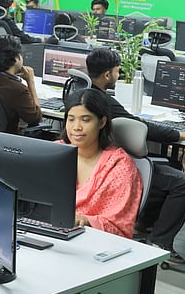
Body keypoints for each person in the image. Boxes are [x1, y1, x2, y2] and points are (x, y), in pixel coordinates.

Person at [85, 47, 185, 263]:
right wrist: (181, 134)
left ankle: (145, 223)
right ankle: (161, 242)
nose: (118, 75)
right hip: (112, 165)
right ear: (107, 75)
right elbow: (140, 126)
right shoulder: (102, 101)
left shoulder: (82, 90)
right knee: (184, 183)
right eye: (118, 71)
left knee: (173, 166)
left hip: (100, 159)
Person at [60, 88, 143, 238]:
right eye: (71, 119)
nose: (76, 127)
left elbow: (119, 223)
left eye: (85, 120)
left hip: (92, 240)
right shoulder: (55, 152)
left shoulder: (119, 166)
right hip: (50, 231)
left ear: (102, 122)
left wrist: (86, 220)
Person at [0, 35, 41, 133]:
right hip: (8, 142)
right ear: (16, 59)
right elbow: (35, 118)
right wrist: (30, 82)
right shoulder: (18, 89)